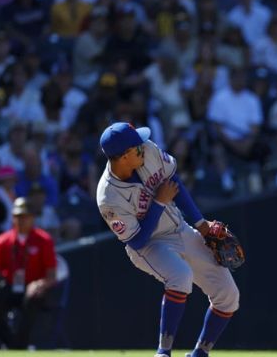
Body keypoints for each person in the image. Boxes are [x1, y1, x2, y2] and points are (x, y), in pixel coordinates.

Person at [95, 122, 239, 357]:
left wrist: (201, 226)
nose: (143, 146)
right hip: (148, 245)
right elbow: (137, 241)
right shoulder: (108, 197)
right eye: (136, 147)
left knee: (229, 296)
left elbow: (176, 185)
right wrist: (159, 203)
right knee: (180, 276)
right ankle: (163, 352)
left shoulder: (148, 150)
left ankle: (200, 354)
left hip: (178, 228)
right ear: (123, 156)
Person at [0, 197, 57, 349]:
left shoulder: (44, 240)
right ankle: (15, 344)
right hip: (10, 286)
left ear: (32, 217)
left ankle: (17, 346)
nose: (21, 220)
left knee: (33, 297)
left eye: (24, 216)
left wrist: (40, 284)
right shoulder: (2, 241)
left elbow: (52, 276)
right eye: (17, 216)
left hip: (34, 289)